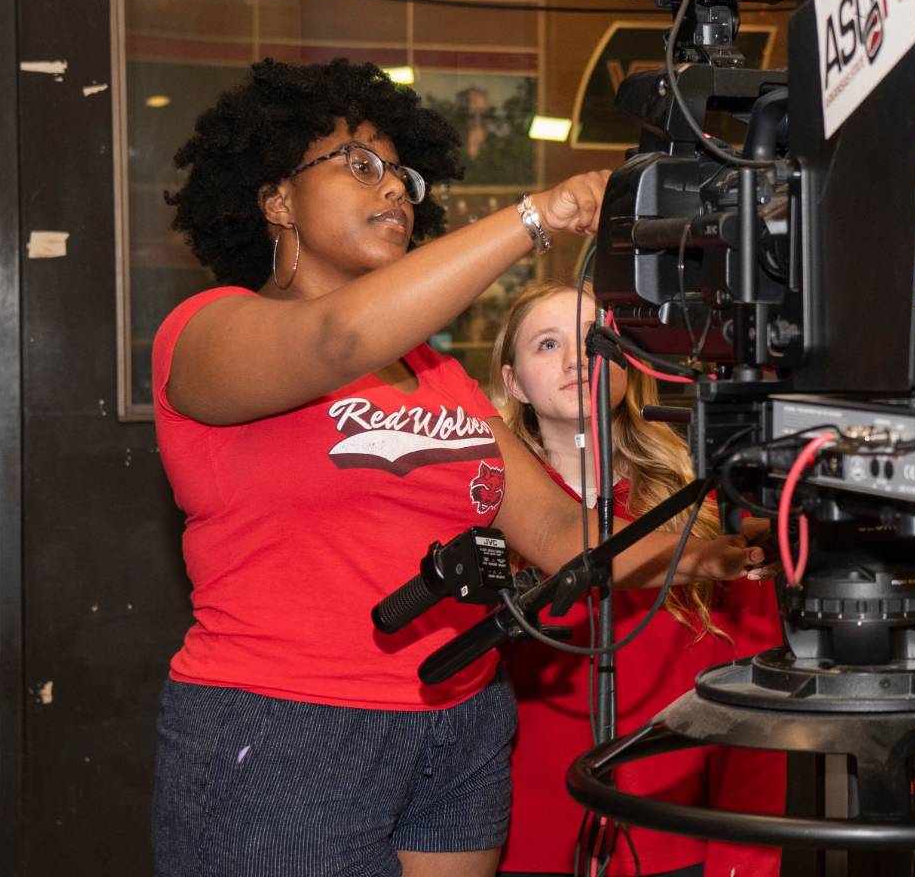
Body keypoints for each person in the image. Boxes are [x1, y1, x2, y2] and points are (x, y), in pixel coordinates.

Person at [149, 58, 766, 877]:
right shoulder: (208, 331)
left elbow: (555, 532)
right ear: (276, 199)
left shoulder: (436, 377)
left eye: (403, 174)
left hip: (460, 716)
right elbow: (336, 340)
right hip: (287, 724)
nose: (397, 189)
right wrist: (538, 216)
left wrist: (714, 551)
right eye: (361, 165)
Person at [490, 280, 785, 877]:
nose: (577, 359)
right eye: (547, 344)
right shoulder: (483, 520)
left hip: (675, 843)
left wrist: (742, 864)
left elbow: (757, 718)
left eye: (597, 339)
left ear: (631, 362)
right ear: (515, 382)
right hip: (521, 844)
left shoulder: (707, 514)